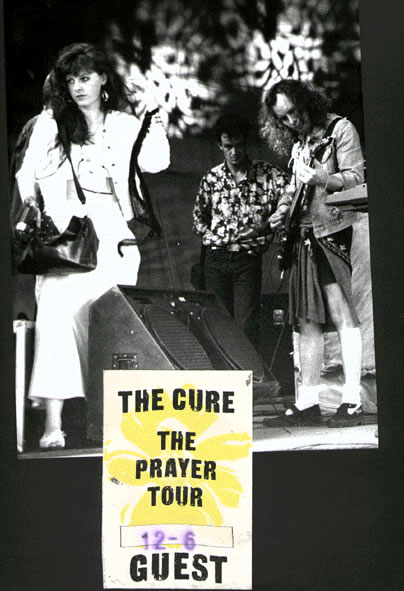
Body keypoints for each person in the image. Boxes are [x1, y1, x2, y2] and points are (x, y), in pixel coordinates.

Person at [14, 43, 170, 448]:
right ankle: (53, 425)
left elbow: (156, 162)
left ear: (103, 79)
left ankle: (110, 422)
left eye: (85, 78)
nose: (79, 87)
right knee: (55, 323)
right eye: (71, 80)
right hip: (67, 238)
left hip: (113, 237)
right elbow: (26, 175)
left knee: (111, 328)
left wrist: (156, 119)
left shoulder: (123, 124)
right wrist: (38, 207)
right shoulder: (50, 124)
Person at [260, 79, 364, 427]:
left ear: (307, 102)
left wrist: (325, 179)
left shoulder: (340, 129)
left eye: (294, 112)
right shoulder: (298, 144)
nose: (291, 121)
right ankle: (307, 403)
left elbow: (356, 178)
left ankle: (352, 401)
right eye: (283, 118)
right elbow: (294, 189)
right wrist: (282, 209)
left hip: (331, 231)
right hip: (302, 235)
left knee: (341, 312)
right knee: (306, 320)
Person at [192, 114, 290, 345]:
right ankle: (222, 369)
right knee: (218, 324)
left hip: (247, 260)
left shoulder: (268, 174)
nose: (234, 152)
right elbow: (198, 220)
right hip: (215, 260)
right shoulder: (211, 179)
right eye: (228, 146)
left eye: (238, 146)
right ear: (220, 145)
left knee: (246, 325)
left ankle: (247, 369)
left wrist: (279, 213)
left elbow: (293, 190)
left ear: (246, 143)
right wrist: (215, 237)